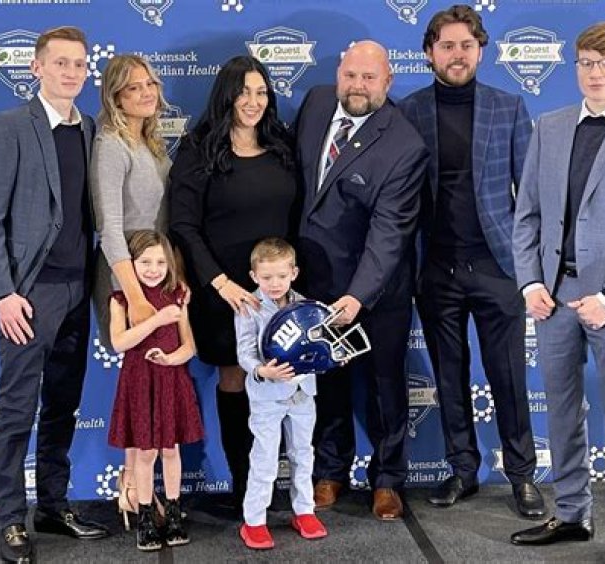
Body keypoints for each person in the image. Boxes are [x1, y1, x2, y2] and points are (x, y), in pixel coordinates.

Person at [510, 22, 605, 563]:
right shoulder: (550, 126)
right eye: (587, 62)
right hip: (553, 298)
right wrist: (530, 281)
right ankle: (572, 514)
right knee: (563, 413)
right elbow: (527, 216)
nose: (595, 73)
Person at [397, 4, 545, 518]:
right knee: (448, 376)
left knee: (509, 378)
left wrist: (529, 269)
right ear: (429, 53)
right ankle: (463, 469)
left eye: (466, 45)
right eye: (446, 46)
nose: (456, 55)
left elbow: (531, 198)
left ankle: (522, 476)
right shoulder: (409, 111)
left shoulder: (509, 107)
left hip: (498, 268)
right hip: (435, 268)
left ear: (481, 51)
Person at [0, 26, 108, 563]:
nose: (72, 72)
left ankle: (52, 505)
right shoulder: (9, 127)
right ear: (36, 68)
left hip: (78, 289)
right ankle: (10, 518)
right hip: (29, 294)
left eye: (80, 64)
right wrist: (3, 293)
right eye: (61, 63)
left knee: (63, 405)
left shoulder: (89, 127)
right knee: (16, 410)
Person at [295, 40, 428, 520]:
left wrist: (357, 296)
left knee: (383, 386)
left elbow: (390, 233)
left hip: (376, 291)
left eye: (369, 78)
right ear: (339, 73)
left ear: (387, 81)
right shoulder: (315, 104)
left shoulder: (405, 145)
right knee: (326, 383)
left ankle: (388, 479)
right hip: (314, 283)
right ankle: (330, 471)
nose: (358, 86)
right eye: (350, 75)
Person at [168, 55, 297, 510]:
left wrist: (287, 282)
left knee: (281, 379)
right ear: (226, 96)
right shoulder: (198, 149)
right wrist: (220, 283)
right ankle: (246, 485)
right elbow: (183, 226)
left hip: (277, 291)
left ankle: (273, 479)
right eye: (243, 92)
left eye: (261, 92)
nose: (253, 101)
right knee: (235, 376)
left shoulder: (281, 145)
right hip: (224, 292)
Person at [90, 53, 172, 524]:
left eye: (150, 84)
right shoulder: (111, 144)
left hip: (157, 273)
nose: (145, 93)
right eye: (133, 87)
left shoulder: (151, 142)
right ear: (115, 97)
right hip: (128, 280)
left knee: (154, 381)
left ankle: (137, 487)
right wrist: (136, 297)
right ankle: (133, 489)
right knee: (141, 384)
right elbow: (110, 228)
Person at [107, 230, 204, 552]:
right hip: (139, 382)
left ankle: (174, 512)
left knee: (171, 450)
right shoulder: (120, 299)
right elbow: (119, 342)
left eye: (161, 262)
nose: (153, 269)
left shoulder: (178, 296)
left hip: (171, 379)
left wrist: (170, 359)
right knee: (146, 452)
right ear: (131, 265)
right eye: (145, 262)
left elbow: (189, 345)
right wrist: (157, 319)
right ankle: (145, 515)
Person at [234, 238, 327, 549]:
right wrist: (263, 371)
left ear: (294, 273)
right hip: (267, 397)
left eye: (281, 276)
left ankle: (305, 511)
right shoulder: (248, 306)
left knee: (303, 454)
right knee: (265, 458)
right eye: (266, 277)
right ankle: (254, 521)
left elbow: (318, 345)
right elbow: (245, 353)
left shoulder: (307, 306)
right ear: (253, 276)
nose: (274, 283)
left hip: (303, 394)